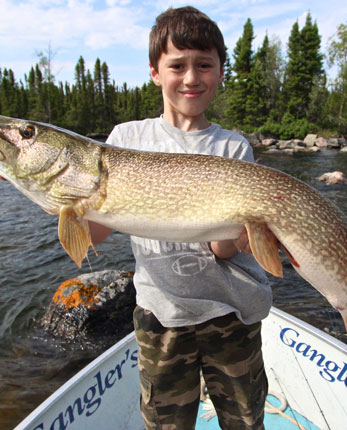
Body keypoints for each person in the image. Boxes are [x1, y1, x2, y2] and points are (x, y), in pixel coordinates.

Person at [88, 6, 273, 429]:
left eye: (204, 65)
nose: (191, 78)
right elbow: (96, 232)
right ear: (155, 71)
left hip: (230, 314)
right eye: (178, 66)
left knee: (245, 421)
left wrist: (243, 235)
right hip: (161, 317)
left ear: (220, 72)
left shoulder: (232, 147)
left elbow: (222, 250)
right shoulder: (126, 139)